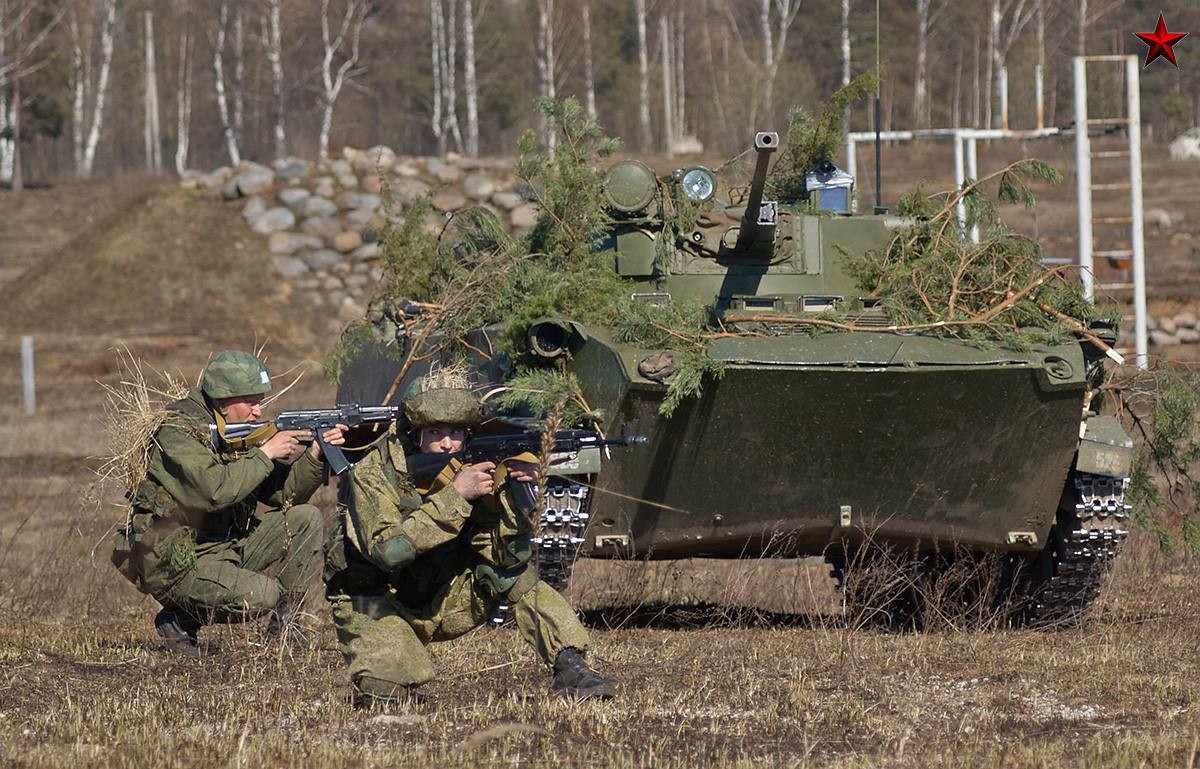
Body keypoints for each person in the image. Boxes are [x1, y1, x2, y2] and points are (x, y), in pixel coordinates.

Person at [324, 375, 615, 704]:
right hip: (374, 602)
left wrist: (517, 496)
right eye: (435, 432)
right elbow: (389, 551)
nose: (447, 444)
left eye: (456, 433)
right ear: (413, 433)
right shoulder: (374, 474)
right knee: (388, 691)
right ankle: (387, 672)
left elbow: (507, 559)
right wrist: (455, 497)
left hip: (440, 596)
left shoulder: (474, 470)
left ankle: (570, 668)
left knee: (514, 577)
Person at [111, 350, 346, 655]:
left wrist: (315, 453)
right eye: (250, 402)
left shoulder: (235, 434)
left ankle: (286, 630)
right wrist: (264, 455)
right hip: (179, 561)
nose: (258, 411)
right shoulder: (176, 432)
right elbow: (213, 492)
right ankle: (181, 617)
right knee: (264, 595)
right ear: (222, 401)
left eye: (260, 401)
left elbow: (283, 495)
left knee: (305, 518)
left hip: (224, 546)